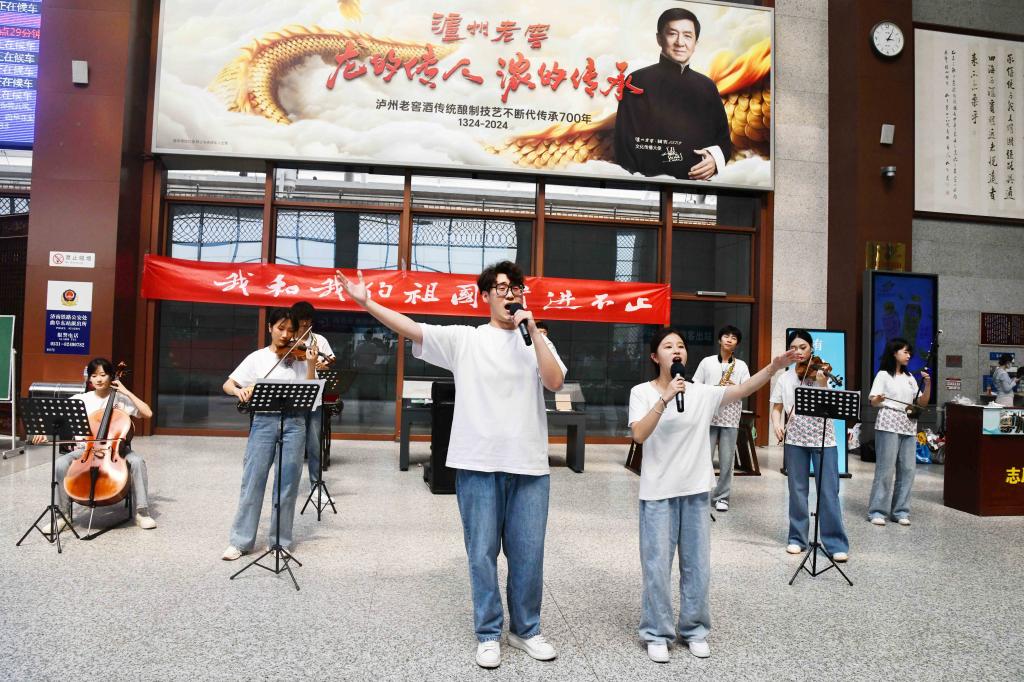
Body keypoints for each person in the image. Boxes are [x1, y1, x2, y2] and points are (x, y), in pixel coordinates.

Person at [339, 261, 565, 670]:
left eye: (516, 287)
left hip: (529, 466)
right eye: (501, 288)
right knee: (481, 553)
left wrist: (534, 332)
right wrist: (367, 303)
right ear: (486, 296)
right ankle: (488, 633)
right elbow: (412, 328)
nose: (510, 294)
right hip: (477, 463)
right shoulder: (466, 339)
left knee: (529, 555)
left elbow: (554, 382)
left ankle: (526, 630)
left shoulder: (537, 340)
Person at [629, 328, 796, 663]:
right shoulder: (642, 392)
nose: (676, 350)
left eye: (680, 345)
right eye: (668, 346)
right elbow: (639, 435)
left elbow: (743, 389)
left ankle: (694, 629)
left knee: (697, 566)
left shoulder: (702, 393)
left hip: (695, 491)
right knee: (657, 566)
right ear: (655, 357)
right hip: (658, 492)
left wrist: (774, 367)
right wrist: (664, 399)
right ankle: (657, 632)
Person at [220, 307, 317, 561]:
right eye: (280, 328)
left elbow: (310, 393)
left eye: (291, 330)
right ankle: (240, 541)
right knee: (253, 480)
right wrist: (238, 391)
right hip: (263, 422)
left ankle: (280, 542)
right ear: (269, 328)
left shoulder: (300, 357)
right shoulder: (257, 358)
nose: (285, 335)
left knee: (288, 484)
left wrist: (310, 364)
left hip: (294, 423)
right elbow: (228, 384)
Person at [31, 357, 156, 532]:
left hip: (117, 450)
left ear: (111, 376)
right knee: (60, 463)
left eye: (103, 375)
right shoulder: (81, 399)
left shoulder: (121, 399)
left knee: (137, 461)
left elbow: (147, 413)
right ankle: (62, 516)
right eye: (94, 375)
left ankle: (141, 512)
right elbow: (53, 417)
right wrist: (42, 430)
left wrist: (126, 392)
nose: (98, 379)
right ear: (89, 378)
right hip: (86, 450)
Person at [614, 7, 731, 181]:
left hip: (697, 186)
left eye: (687, 36)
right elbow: (624, 143)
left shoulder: (707, 86)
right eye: (672, 34)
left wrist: (714, 159)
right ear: (659, 38)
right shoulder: (637, 81)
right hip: (650, 185)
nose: (680, 42)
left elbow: (723, 140)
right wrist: (640, 183)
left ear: (696, 43)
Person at [769, 329, 849, 562]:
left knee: (828, 491)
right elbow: (776, 407)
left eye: (803, 347)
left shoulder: (821, 372)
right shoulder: (785, 378)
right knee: (797, 490)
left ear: (812, 348)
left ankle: (835, 542)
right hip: (795, 439)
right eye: (793, 348)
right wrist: (777, 424)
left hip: (824, 438)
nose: (799, 352)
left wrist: (823, 383)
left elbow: (831, 404)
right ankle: (797, 538)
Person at [867, 338, 931, 527]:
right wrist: (878, 399)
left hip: (908, 425)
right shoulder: (883, 375)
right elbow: (873, 401)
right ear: (894, 353)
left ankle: (901, 511)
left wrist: (927, 384)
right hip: (888, 423)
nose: (908, 355)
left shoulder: (910, 378)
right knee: (885, 470)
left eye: (909, 352)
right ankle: (877, 511)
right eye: (905, 351)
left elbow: (921, 403)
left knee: (908, 470)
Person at [692, 325, 750, 512]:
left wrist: (735, 388)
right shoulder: (707, 362)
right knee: (703, 458)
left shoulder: (741, 366)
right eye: (726, 336)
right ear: (719, 340)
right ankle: (700, 494)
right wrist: (712, 391)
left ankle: (722, 497)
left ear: (737, 343)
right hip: (708, 415)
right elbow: (695, 385)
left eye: (734, 337)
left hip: (730, 417)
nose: (729, 339)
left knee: (727, 460)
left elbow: (747, 389)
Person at [290, 301, 336, 487]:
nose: (304, 326)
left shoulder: (319, 340)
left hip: (315, 395)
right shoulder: (287, 339)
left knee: (315, 441)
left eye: (307, 322)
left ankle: (316, 484)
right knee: (292, 442)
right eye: (300, 322)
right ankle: (289, 483)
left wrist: (323, 364)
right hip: (292, 396)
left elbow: (330, 359)